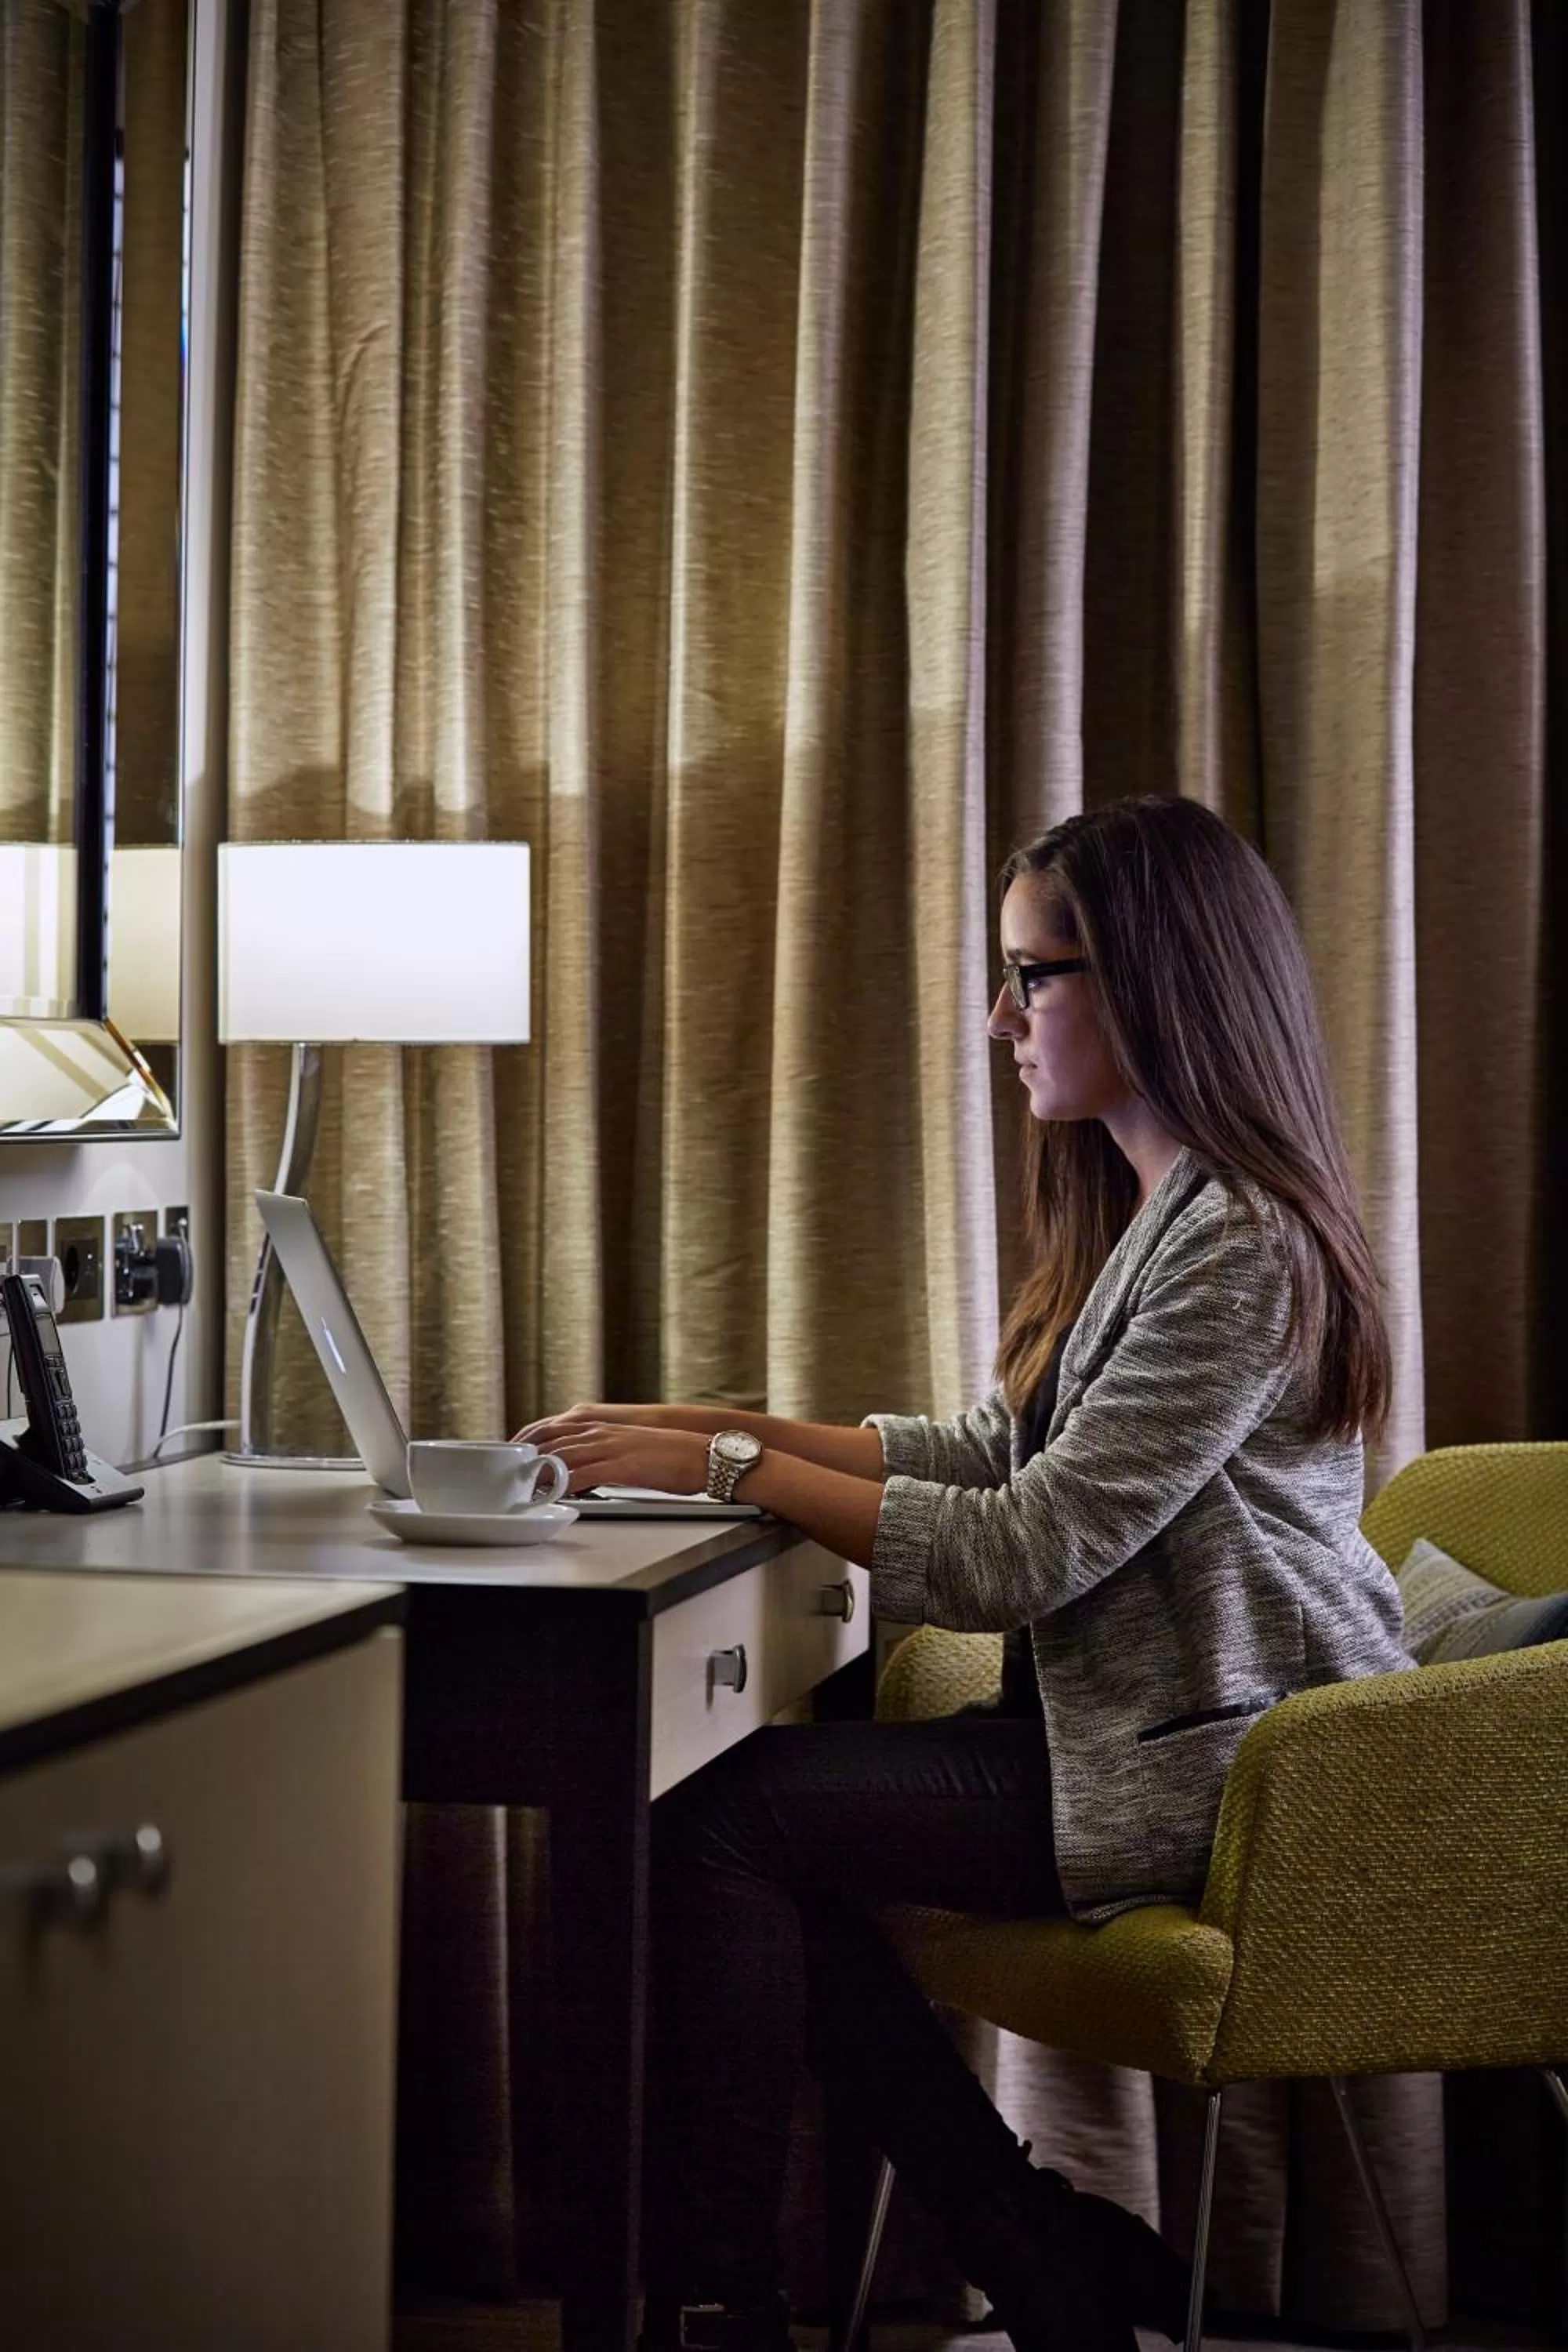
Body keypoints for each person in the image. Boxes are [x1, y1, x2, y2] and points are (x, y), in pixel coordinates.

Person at [517, 793, 1417, 2352]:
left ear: (1159, 982)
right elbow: (1002, 1459)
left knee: (725, 1824)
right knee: (723, 1817)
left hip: (1227, 1768)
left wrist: (719, 1472)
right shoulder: (1164, 1211)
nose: (1002, 1016)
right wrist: (707, 1424)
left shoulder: (1239, 1242)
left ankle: (753, 2297)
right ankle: (1016, 2239)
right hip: (1124, 1733)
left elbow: (1025, 1548)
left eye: (1036, 975)